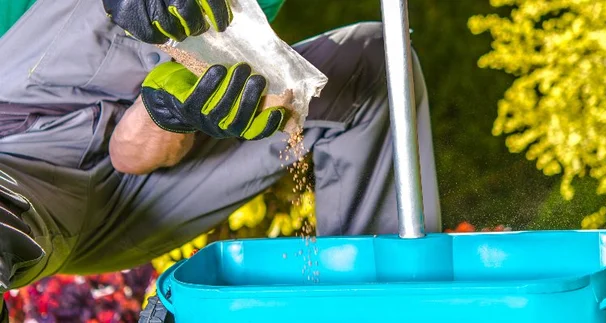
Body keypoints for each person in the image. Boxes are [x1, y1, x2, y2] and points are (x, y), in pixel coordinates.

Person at [0, 0, 442, 319]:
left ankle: (368, 305)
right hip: (13, 150)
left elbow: (132, 152)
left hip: (126, 199)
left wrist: (165, 114)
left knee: (371, 64)